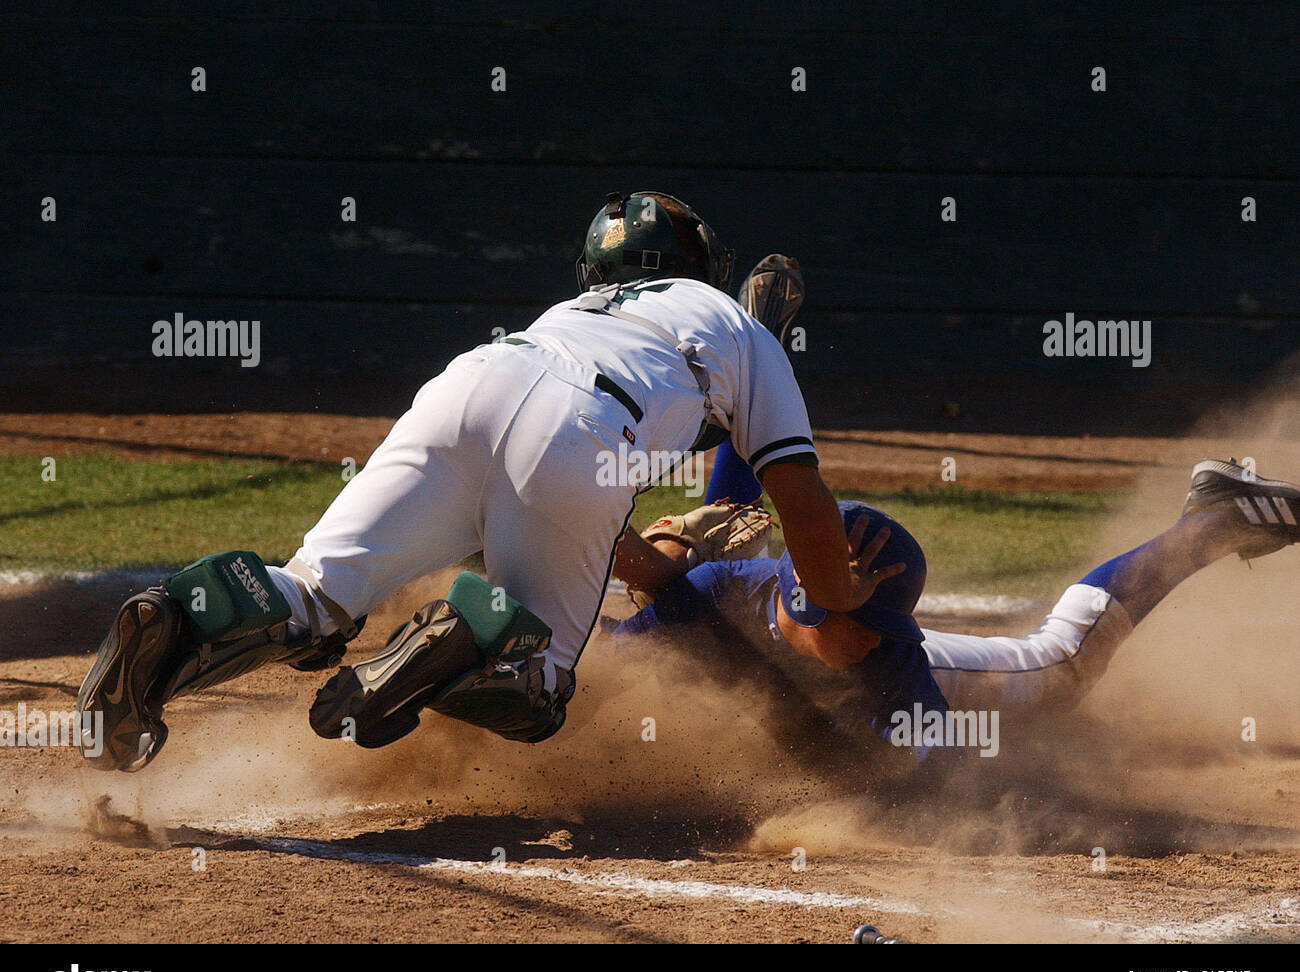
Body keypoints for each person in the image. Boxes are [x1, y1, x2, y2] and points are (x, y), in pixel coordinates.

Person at [77, 192, 892, 772]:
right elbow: (801, 498)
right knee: (537, 689)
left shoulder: (584, 317)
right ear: (698, 266)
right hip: (583, 427)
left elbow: (577, 494)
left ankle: (171, 618)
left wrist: (664, 564)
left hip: (475, 382)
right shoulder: (738, 330)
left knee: (313, 600)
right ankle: (460, 639)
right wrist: (832, 600)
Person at [607, 458, 1300, 755]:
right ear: (803, 603)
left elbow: (929, 782)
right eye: (853, 621)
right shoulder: (712, 598)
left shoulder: (894, 663)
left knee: (1060, 663)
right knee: (674, 577)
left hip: (956, 676)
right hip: (734, 607)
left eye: (879, 626)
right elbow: (597, 678)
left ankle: (1214, 520)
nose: (866, 641)